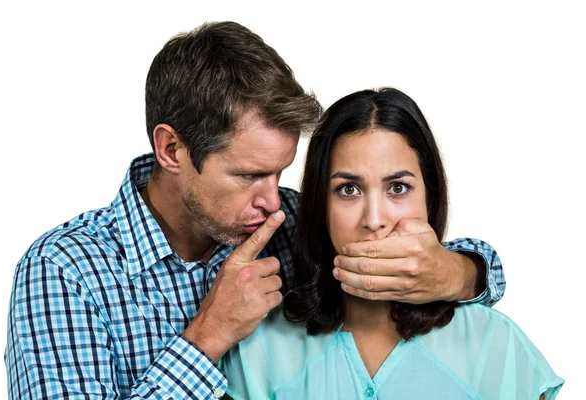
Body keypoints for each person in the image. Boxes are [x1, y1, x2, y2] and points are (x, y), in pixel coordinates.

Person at [5, 22, 506, 399]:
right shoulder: (63, 272)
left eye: (281, 172)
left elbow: (431, 267)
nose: (273, 199)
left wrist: (460, 273)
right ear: (172, 150)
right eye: (248, 176)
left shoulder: (286, 225)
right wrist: (208, 335)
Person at [221, 87, 563, 399]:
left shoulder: (496, 345)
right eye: (348, 189)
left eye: (397, 188)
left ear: (429, 196)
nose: (374, 219)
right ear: (320, 206)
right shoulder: (257, 351)